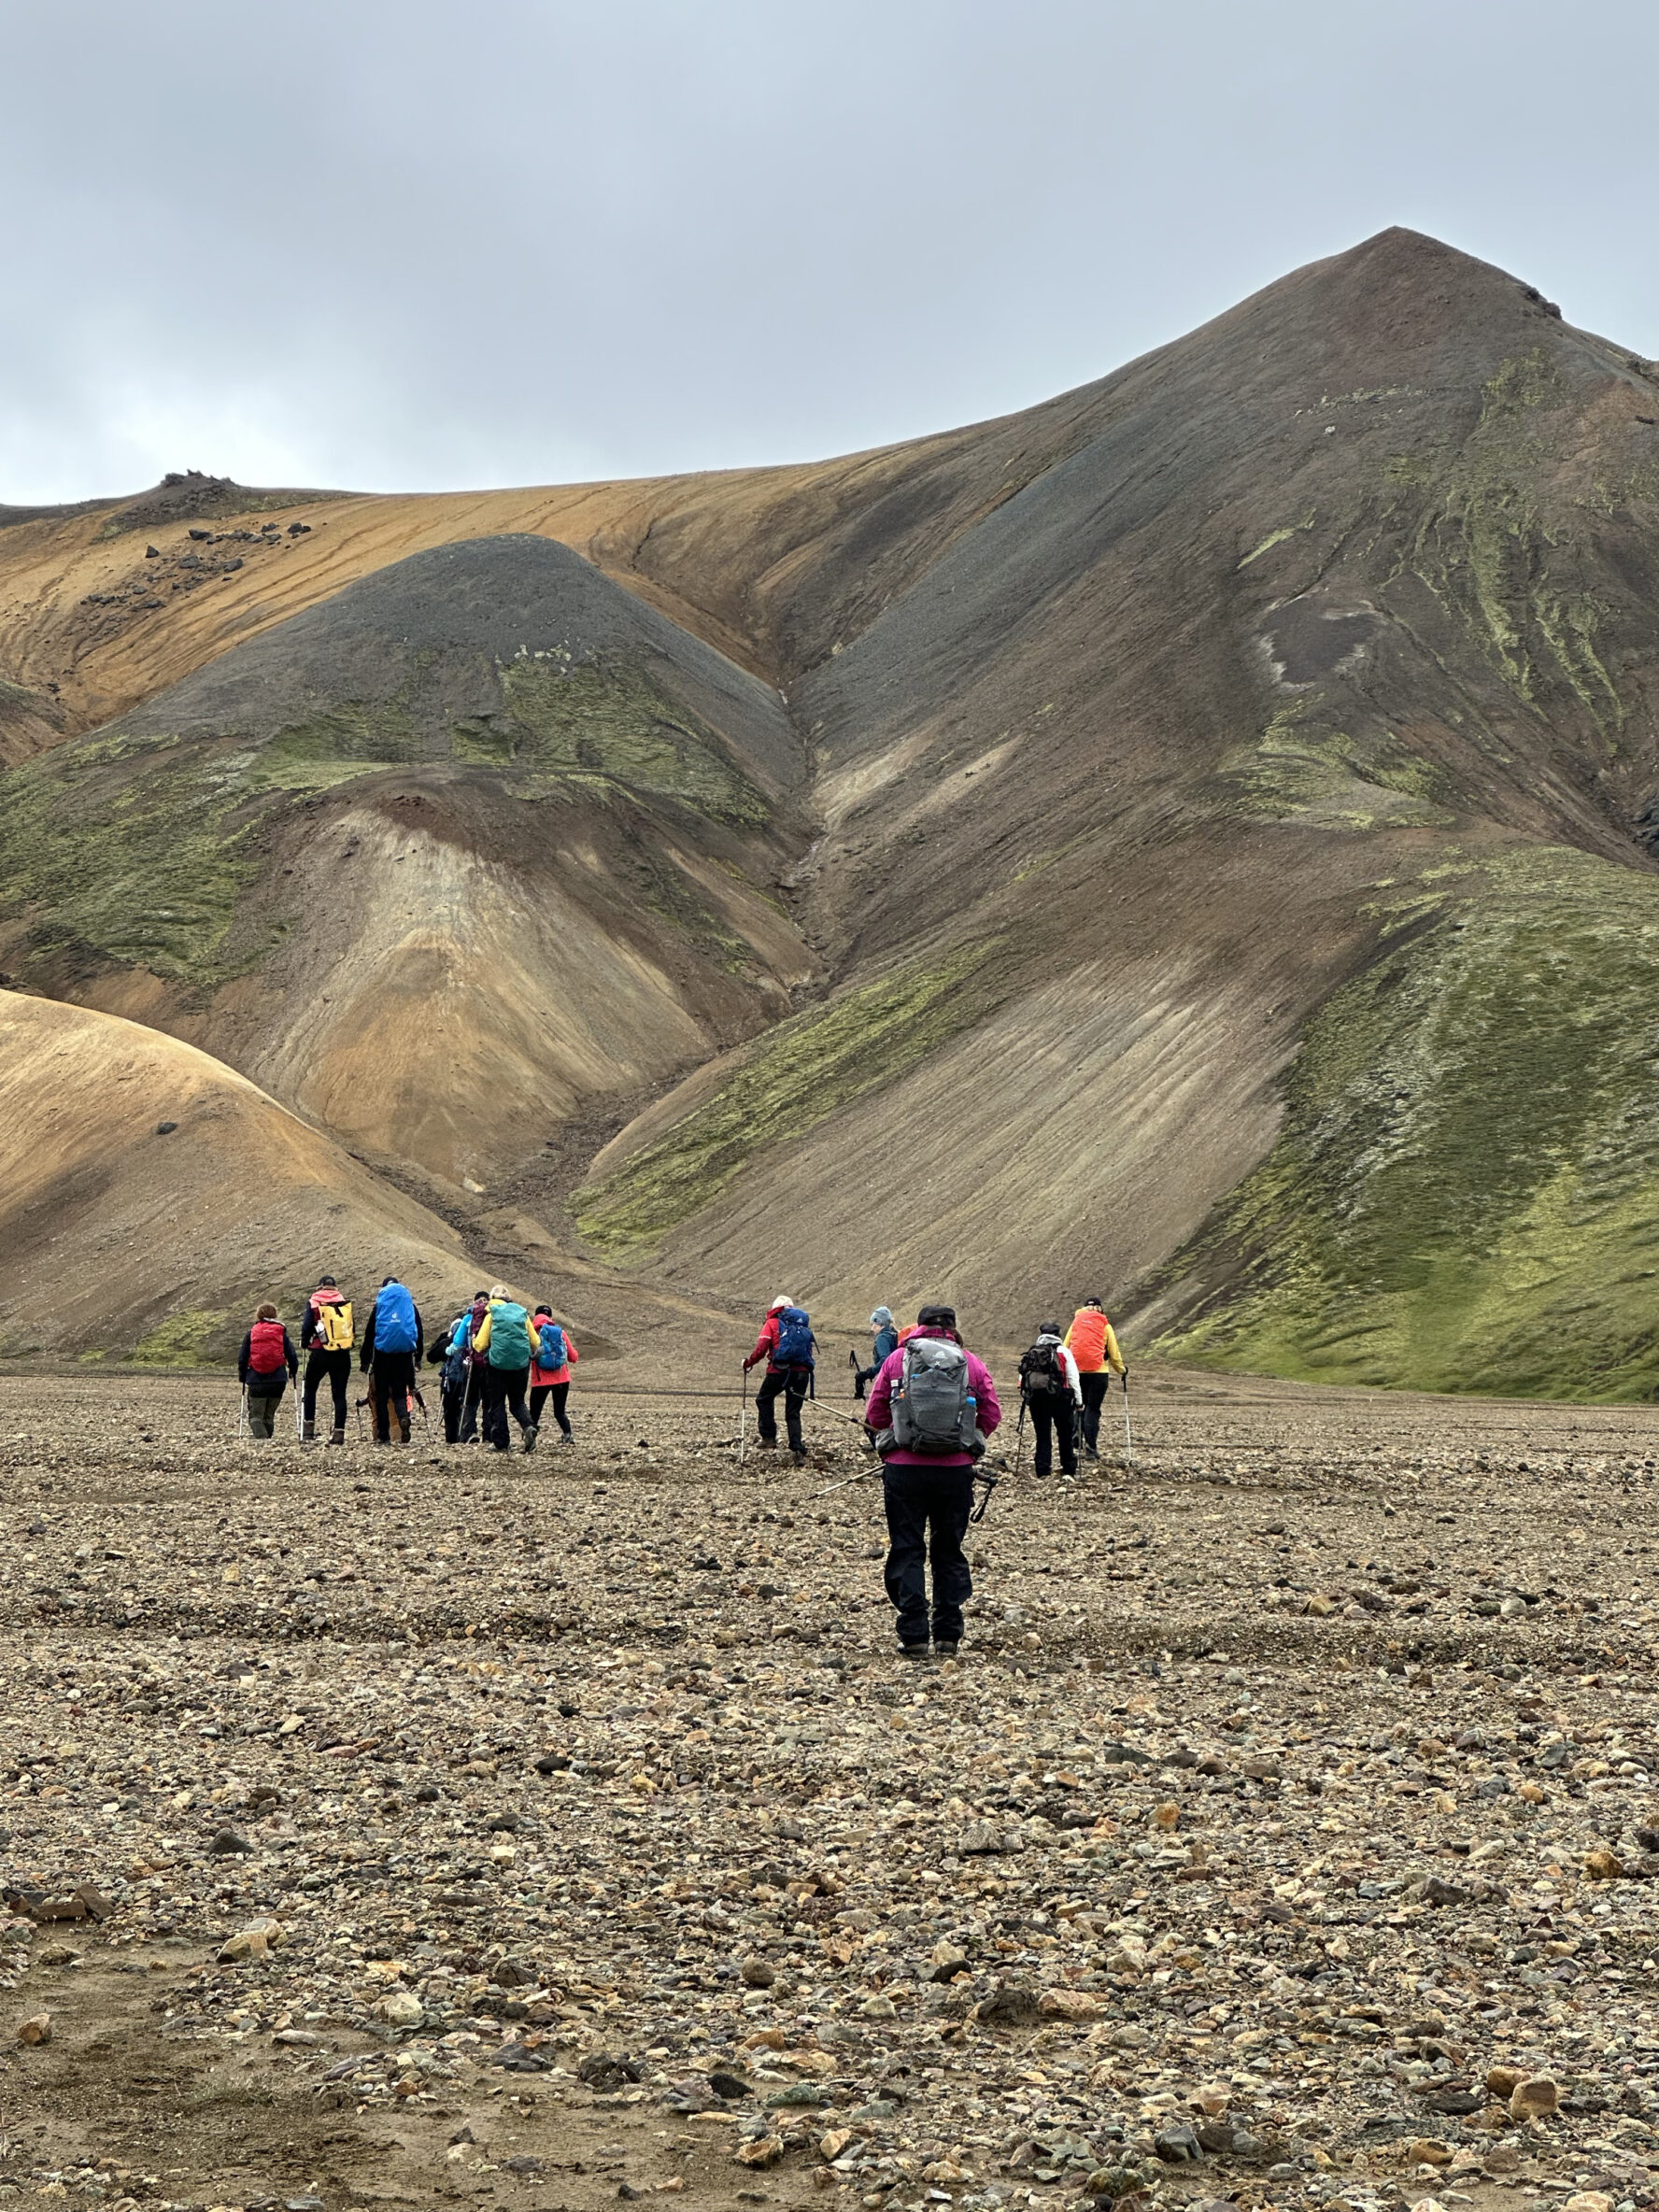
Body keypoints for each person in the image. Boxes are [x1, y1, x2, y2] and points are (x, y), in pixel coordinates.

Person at [865, 1302, 1000, 1660]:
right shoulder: (970, 1362)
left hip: (904, 1469)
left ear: (920, 1327)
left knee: (907, 1548)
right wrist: (968, 1443)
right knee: (948, 1550)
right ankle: (947, 1636)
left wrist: (896, 1437)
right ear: (953, 1328)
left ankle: (913, 1636)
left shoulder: (897, 1359)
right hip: (955, 1471)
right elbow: (992, 1412)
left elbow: (875, 1412)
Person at [743, 1296, 814, 1460]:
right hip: (802, 1373)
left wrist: (748, 1363)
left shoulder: (772, 1323)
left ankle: (769, 1437)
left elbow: (761, 1348)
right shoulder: (801, 1324)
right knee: (793, 1411)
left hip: (779, 1370)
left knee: (764, 1399)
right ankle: (797, 1447)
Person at [471, 1283, 538, 1453]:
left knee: (497, 1403)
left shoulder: (491, 1315)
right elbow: (536, 1342)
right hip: (520, 1366)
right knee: (517, 1402)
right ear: (509, 1299)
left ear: (492, 1299)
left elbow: (480, 1345)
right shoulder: (521, 1313)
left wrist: (473, 1340)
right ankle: (528, 1426)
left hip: (497, 1367)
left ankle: (502, 1443)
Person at [360, 1276, 424, 1445]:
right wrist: (418, 1357)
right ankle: (403, 1417)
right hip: (404, 1355)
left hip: (383, 1355)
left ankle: (383, 1435)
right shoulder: (410, 1306)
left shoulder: (381, 1306)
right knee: (399, 1393)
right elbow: (419, 1331)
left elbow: (370, 1333)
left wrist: (365, 1359)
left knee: (381, 1395)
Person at [1064, 1297, 1126, 1461]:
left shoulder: (1075, 1324)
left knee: (1078, 1405)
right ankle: (1091, 1448)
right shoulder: (1105, 1325)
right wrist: (1122, 1370)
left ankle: (1075, 1436)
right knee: (1093, 1409)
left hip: (1077, 1372)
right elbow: (1114, 1352)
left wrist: (1065, 1370)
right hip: (1099, 1373)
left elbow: (1065, 1346)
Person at [1018, 1322, 1082, 1478]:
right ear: (1058, 1335)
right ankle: (1068, 1469)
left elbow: (1022, 1378)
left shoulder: (1033, 1352)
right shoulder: (1064, 1352)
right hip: (1061, 1398)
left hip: (1037, 1399)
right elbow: (1073, 1378)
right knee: (1065, 1434)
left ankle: (1042, 1469)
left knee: (1042, 1435)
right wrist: (1079, 1401)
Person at [300, 1275, 353, 1444]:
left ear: (320, 1286)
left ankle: (308, 1430)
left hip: (319, 1351)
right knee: (339, 1394)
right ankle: (339, 1432)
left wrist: (305, 1341)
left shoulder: (314, 1301)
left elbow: (307, 1325)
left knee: (310, 1389)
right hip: (341, 1352)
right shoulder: (343, 1302)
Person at [430, 1292, 487, 1444]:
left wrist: (446, 1345)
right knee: (471, 1404)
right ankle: (474, 1435)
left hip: (451, 1378)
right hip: (475, 1371)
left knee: (451, 1411)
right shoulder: (488, 1320)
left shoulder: (459, 1326)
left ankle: (452, 1440)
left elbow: (432, 1356)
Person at [238, 1302, 298, 1439]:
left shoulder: (252, 1333)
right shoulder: (281, 1332)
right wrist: (293, 1371)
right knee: (269, 1416)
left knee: (256, 1417)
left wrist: (243, 1376)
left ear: (259, 1315)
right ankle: (268, 1441)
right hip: (278, 1380)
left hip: (256, 1380)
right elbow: (292, 1355)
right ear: (275, 1315)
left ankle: (263, 1441)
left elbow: (243, 1357)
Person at [529, 1305, 579, 1441]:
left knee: (534, 1413)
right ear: (550, 1317)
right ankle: (567, 1434)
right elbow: (573, 1357)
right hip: (562, 1379)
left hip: (540, 1381)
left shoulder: (532, 1333)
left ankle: (531, 1439)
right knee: (559, 1411)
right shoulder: (560, 1332)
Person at [854, 1306, 900, 1400]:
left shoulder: (882, 1338)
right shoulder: (893, 1334)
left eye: (873, 1324)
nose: (872, 1328)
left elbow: (885, 1360)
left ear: (880, 1323)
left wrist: (868, 1373)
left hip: (887, 1379)